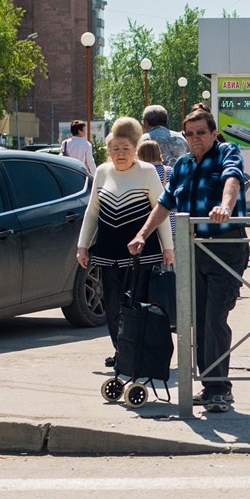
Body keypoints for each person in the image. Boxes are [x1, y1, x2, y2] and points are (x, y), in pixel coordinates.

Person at [130, 105, 249, 414]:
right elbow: (165, 203)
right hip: (192, 249)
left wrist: (225, 206)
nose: (196, 138)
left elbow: (232, 180)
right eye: (190, 134)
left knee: (214, 318)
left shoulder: (227, 152)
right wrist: (144, 234)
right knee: (196, 320)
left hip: (225, 248)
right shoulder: (182, 165)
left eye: (201, 133)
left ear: (213, 133)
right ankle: (213, 386)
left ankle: (217, 389)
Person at [78, 117, 172, 369]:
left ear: (135, 149)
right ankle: (121, 351)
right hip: (108, 251)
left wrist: (168, 248)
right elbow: (92, 211)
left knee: (138, 302)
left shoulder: (148, 171)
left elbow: (160, 209)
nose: (121, 154)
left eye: (126, 149)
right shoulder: (102, 171)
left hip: (143, 253)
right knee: (112, 304)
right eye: (115, 149)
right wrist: (83, 245)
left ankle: (139, 352)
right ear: (109, 150)